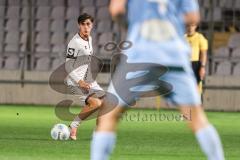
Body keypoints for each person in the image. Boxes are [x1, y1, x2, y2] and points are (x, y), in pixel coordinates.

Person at [90, 0, 225, 160]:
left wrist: (134, 24)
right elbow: (192, 17)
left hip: (141, 55)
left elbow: (117, 10)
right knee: (197, 118)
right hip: (174, 56)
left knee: (109, 116)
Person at [65, 13, 105, 140]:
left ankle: (98, 134)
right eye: (83, 24)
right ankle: (73, 126)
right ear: (79, 25)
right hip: (75, 81)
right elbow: (68, 66)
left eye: (88, 24)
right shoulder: (74, 42)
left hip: (87, 80)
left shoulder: (90, 39)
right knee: (96, 103)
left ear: (92, 25)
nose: (85, 27)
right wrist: (80, 81)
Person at [185, 23, 208, 95]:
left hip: (195, 64)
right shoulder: (182, 38)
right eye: (188, 25)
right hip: (185, 64)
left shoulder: (200, 37)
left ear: (196, 26)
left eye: (192, 25)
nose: (190, 28)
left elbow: (204, 53)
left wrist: (202, 67)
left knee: (196, 89)